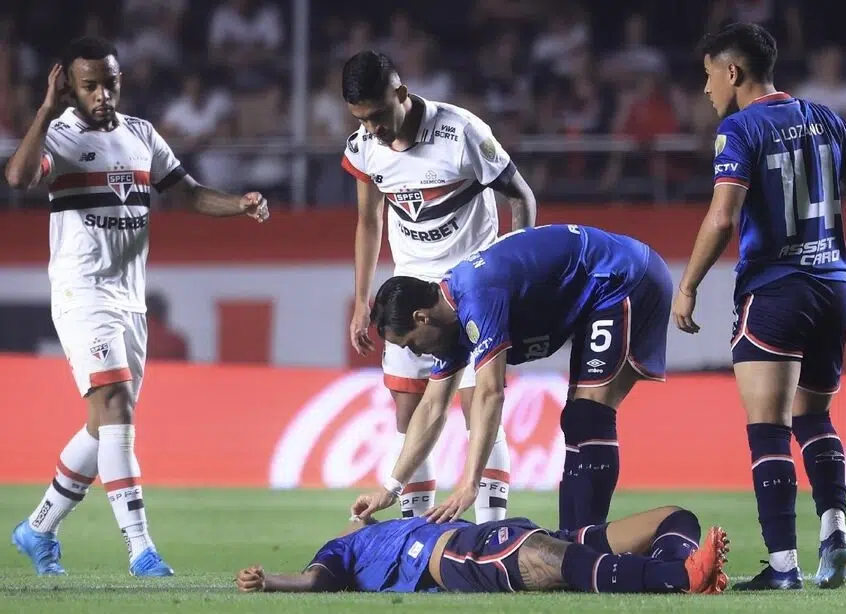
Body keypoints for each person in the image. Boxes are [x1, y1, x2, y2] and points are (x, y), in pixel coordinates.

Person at [4, 37, 270, 577]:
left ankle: (38, 528)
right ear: (69, 88)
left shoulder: (141, 134)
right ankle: (141, 549)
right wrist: (43, 110)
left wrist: (238, 205)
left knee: (103, 428)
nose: (102, 94)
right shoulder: (59, 133)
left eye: (110, 83)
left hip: (130, 300)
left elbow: (189, 192)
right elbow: (19, 177)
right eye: (90, 85)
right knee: (118, 409)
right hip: (83, 294)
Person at [671, 23, 846, 590]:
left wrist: (689, 283)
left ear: (733, 71)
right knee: (813, 417)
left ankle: (785, 567)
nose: (706, 89)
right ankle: (834, 529)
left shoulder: (740, 130)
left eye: (708, 75)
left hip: (776, 290)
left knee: (767, 428)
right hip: (833, 287)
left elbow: (723, 217)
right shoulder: (827, 118)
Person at [351, 224, 673, 531]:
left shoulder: (477, 295)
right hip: (600, 292)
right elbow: (432, 406)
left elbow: (490, 393)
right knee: (577, 419)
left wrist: (469, 484)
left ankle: (587, 545)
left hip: (624, 278)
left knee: (590, 416)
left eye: (410, 344)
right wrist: (390, 489)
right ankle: (575, 540)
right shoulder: (452, 318)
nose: (417, 354)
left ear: (421, 318)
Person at [341, 50, 537, 522]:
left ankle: (493, 532)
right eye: (363, 120)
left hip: (469, 295)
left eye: (379, 117)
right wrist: (362, 298)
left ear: (401, 94)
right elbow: (369, 221)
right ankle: (413, 535)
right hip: (408, 299)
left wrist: (513, 275)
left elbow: (521, 196)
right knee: (409, 416)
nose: (374, 130)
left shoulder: (461, 133)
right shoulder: (363, 147)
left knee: (478, 414)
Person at [235, 506, 729, 595]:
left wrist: (371, 512)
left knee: (672, 518)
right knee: (543, 558)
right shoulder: (340, 551)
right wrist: (270, 580)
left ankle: (678, 566)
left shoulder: (379, 526)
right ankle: (677, 577)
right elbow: (314, 580)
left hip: (500, 533)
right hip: (453, 556)